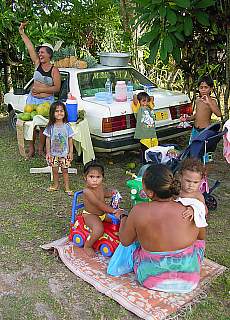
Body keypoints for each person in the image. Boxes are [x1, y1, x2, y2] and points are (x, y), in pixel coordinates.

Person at [112, 164, 206, 293]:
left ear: (149, 192)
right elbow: (201, 238)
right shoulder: (191, 208)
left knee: (135, 243)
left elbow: (125, 241)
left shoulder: (138, 211)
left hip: (150, 280)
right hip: (189, 280)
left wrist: (123, 217)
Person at [19, 22, 61, 158]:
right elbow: (29, 46)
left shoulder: (54, 70)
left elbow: (57, 88)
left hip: (46, 102)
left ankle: (40, 149)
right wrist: (22, 32)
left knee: (43, 126)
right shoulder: (37, 63)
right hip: (32, 100)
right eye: (39, 52)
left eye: (42, 52)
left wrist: (42, 88)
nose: (39, 54)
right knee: (30, 125)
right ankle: (31, 148)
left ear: (49, 55)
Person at [82, 160, 123, 257]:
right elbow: (99, 204)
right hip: (91, 215)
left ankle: (119, 239)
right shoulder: (87, 191)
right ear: (85, 177)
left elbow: (104, 194)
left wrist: (112, 193)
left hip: (102, 214)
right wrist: (113, 210)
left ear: (102, 178)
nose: (95, 180)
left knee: (119, 220)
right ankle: (87, 246)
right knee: (98, 229)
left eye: (98, 177)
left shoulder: (100, 186)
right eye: (91, 177)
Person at [43, 101, 74, 195]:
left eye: (61, 111)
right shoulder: (50, 127)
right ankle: (55, 185)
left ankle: (67, 187)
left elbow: (70, 140)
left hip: (65, 154)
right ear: (52, 113)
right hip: (53, 154)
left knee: (65, 170)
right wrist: (48, 153)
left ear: (65, 112)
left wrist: (71, 152)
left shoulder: (67, 126)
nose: (59, 113)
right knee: (55, 170)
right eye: (57, 111)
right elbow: (48, 140)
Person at [181, 75, 221, 143]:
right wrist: (187, 119)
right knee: (192, 148)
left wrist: (209, 103)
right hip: (195, 130)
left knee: (203, 150)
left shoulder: (212, 101)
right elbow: (197, 114)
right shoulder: (198, 100)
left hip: (205, 130)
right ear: (198, 88)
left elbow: (219, 114)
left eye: (206, 87)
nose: (203, 90)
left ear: (211, 89)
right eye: (201, 87)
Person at [132, 92, 158, 163]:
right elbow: (134, 98)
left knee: (153, 151)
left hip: (152, 135)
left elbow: (152, 98)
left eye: (147, 101)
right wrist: (138, 96)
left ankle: (152, 163)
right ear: (139, 102)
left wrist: (147, 99)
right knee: (145, 151)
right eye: (143, 101)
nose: (145, 103)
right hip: (144, 136)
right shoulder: (138, 108)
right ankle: (144, 164)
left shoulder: (150, 107)